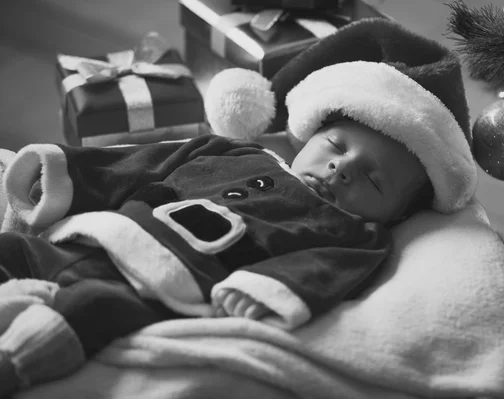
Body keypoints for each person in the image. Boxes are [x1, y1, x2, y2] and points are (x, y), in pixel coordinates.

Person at [0, 18, 477, 397]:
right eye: (335, 145)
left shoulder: (353, 233)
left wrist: (265, 288)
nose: (343, 169)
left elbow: (324, 269)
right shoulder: (233, 152)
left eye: (372, 179)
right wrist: (65, 173)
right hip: (99, 235)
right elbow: (141, 163)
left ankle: (15, 363)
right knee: (14, 250)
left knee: (90, 309)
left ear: (393, 216)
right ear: (308, 134)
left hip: (165, 286)